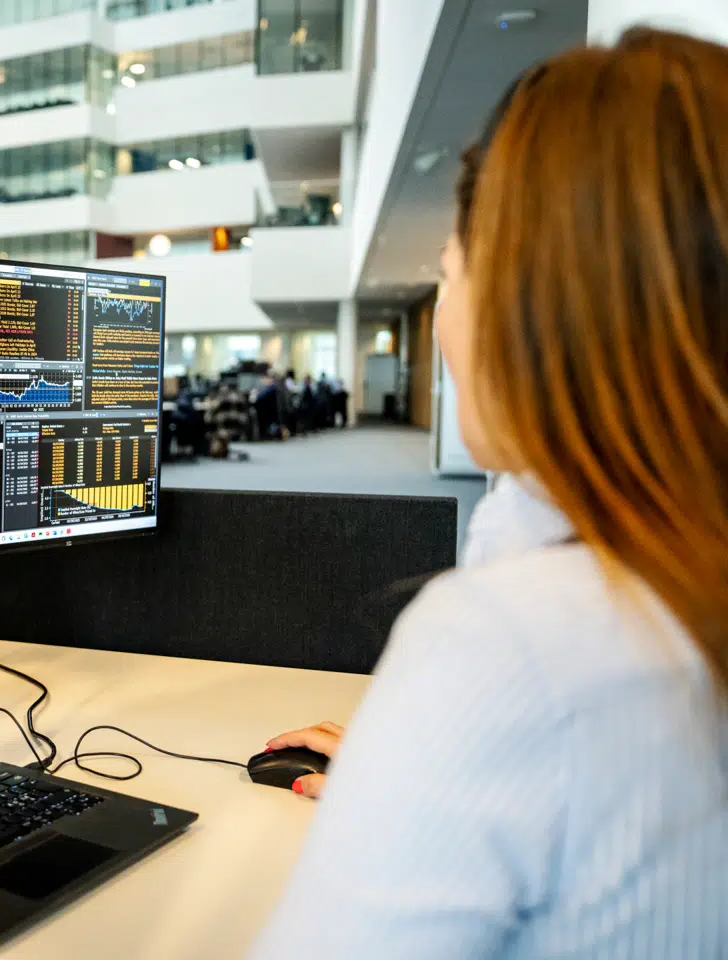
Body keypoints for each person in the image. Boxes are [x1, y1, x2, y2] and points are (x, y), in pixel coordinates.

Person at [251, 29, 728, 958]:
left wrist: (454, 730)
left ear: (525, 301)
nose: (444, 323)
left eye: (450, 271)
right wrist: (424, 775)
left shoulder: (514, 644)